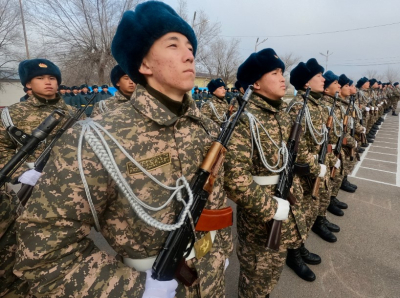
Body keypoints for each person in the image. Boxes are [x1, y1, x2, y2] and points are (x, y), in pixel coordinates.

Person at [15, 2, 232, 298]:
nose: (189, 54)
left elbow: (214, 202)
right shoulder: (95, 139)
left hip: (210, 279)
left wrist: (219, 252)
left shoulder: (205, 126)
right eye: (173, 44)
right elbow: (44, 254)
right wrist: (135, 289)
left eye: (190, 47)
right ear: (143, 65)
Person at [224, 48, 315, 297]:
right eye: (274, 73)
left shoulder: (281, 117)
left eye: (282, 72)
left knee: (271, 275)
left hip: (285, 206)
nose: (282, 78)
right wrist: (271, 208)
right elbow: (234, 180)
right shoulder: (243, 120)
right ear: (255, 82)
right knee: (256, 280)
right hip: (260, 220)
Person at [0, 58, 80, 298]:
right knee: (26, 244)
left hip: (68, 191)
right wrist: (22, 173)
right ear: (28, 84)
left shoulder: (72, 113)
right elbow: (2, 149)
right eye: (41, 78)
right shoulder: (12, 114)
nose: (48, 82)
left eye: (53, 78)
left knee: (66, 243)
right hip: (28, 193)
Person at [288, 59, 340, 247]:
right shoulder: (298, 106)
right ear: (306, 83)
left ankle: (301, 246)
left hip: (317, 168)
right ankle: (295, 252)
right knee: (300, 215)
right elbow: (297, 147)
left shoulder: (316, 105)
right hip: (303, 173)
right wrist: (316, 167)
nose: (323, 80)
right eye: (318, 76)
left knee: (311, 210)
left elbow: (322, 141)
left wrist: (328, 160)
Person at [320, 71, 357, 217]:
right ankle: (321, 215)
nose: (340, 86)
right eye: (336, 83)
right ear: (326, 88)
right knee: (327, 184)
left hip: (338, 148)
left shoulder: (338, 104)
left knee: (335, 180)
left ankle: (331, 200)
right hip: (330, 151)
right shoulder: (325, 106)